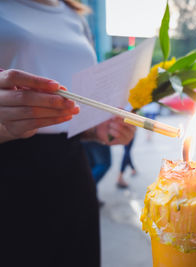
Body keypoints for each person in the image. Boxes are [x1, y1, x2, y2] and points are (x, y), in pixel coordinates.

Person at [0, 1, 136, 266]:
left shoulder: (75, 15)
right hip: (9, 174)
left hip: (72, 170)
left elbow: (76, 107)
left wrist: (98, 130)